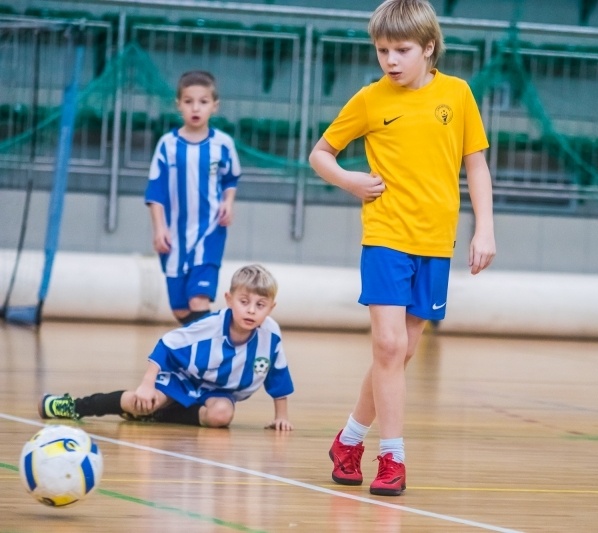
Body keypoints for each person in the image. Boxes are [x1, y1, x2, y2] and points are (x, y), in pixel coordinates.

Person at [308, 0, 496, 496]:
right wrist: (350, 181)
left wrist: (485, 229)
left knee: (404, 349)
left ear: (429, 48)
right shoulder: (370, 99)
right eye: (382, 50)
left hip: (435, 241)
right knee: (389, 346)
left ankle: (348, 440)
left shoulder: (457, 95)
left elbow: (476, 165)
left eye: (401, 50)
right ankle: (392, 457)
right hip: (386, 235)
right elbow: (321, 154)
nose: (390, 60)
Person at [38, 264, 294, 431]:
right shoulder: (210, 326)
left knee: (221, 417)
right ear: (229, 300)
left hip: (219, 391)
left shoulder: (270, 335)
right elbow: (167, 344)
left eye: (260, 305)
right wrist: (147, 385)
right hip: (183, 377)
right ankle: (76, 406)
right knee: (142, 403)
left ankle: (161, 415)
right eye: (244, 301)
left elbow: (277, 374)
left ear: (271, 308)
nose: (251, 310)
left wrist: (280, 416)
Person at [146, 70, 241, 325]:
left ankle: (209, 359)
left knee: (198, 300)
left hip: (210, 231)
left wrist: (228, 202)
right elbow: (155, 190)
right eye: (189, 102)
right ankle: (200, 351)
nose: (195, 108)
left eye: (203, 101)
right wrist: (159, 228)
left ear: (214, 106)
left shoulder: (223, 144)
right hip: (174, 237)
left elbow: (230, 179)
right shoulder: (167, 145)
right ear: (179, 105)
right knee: (181, 309)